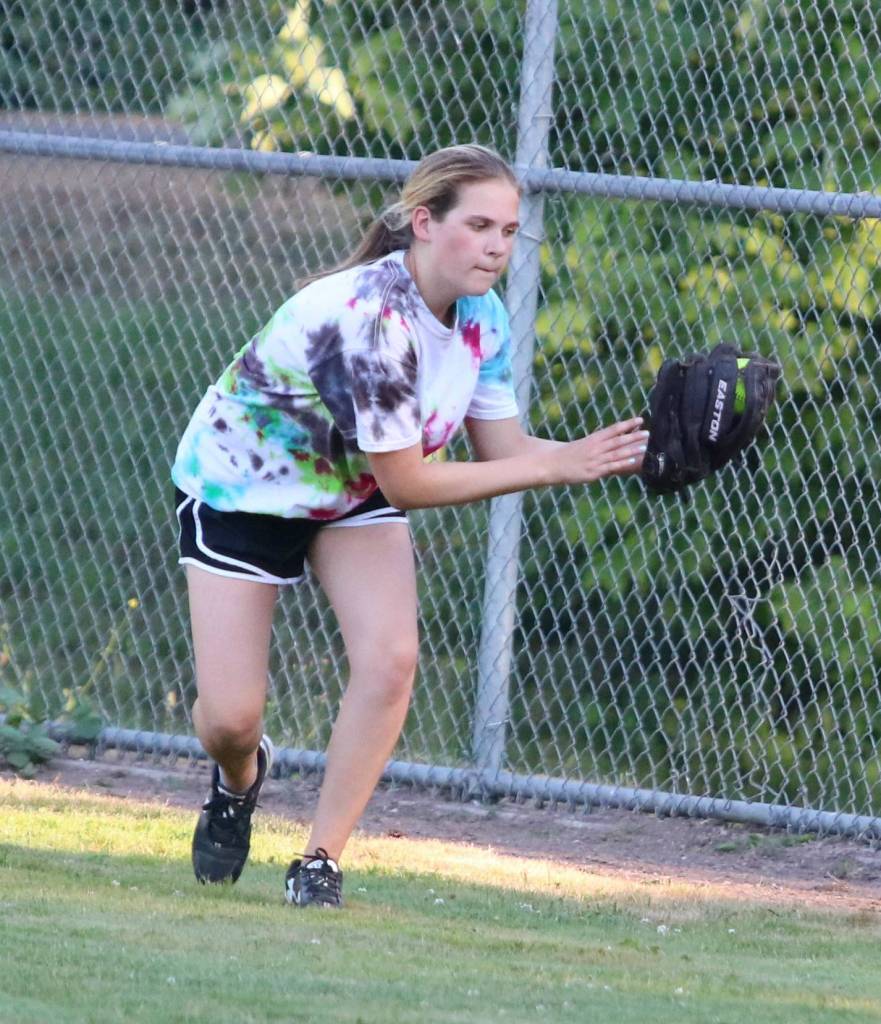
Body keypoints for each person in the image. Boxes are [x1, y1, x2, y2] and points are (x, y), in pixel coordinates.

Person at [171, 143, 648, 908]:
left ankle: (320, 858)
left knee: (390, 661)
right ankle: (238, 776)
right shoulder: (373, 319)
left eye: (510, 230)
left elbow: (509, 452)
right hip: (245, 485)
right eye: (480, 224)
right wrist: (559, 466)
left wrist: (628, 453)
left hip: (352, 490)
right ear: (423, 223)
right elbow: (411, 480)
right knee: (230, 719)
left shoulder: (479, 318)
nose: (497, 245)